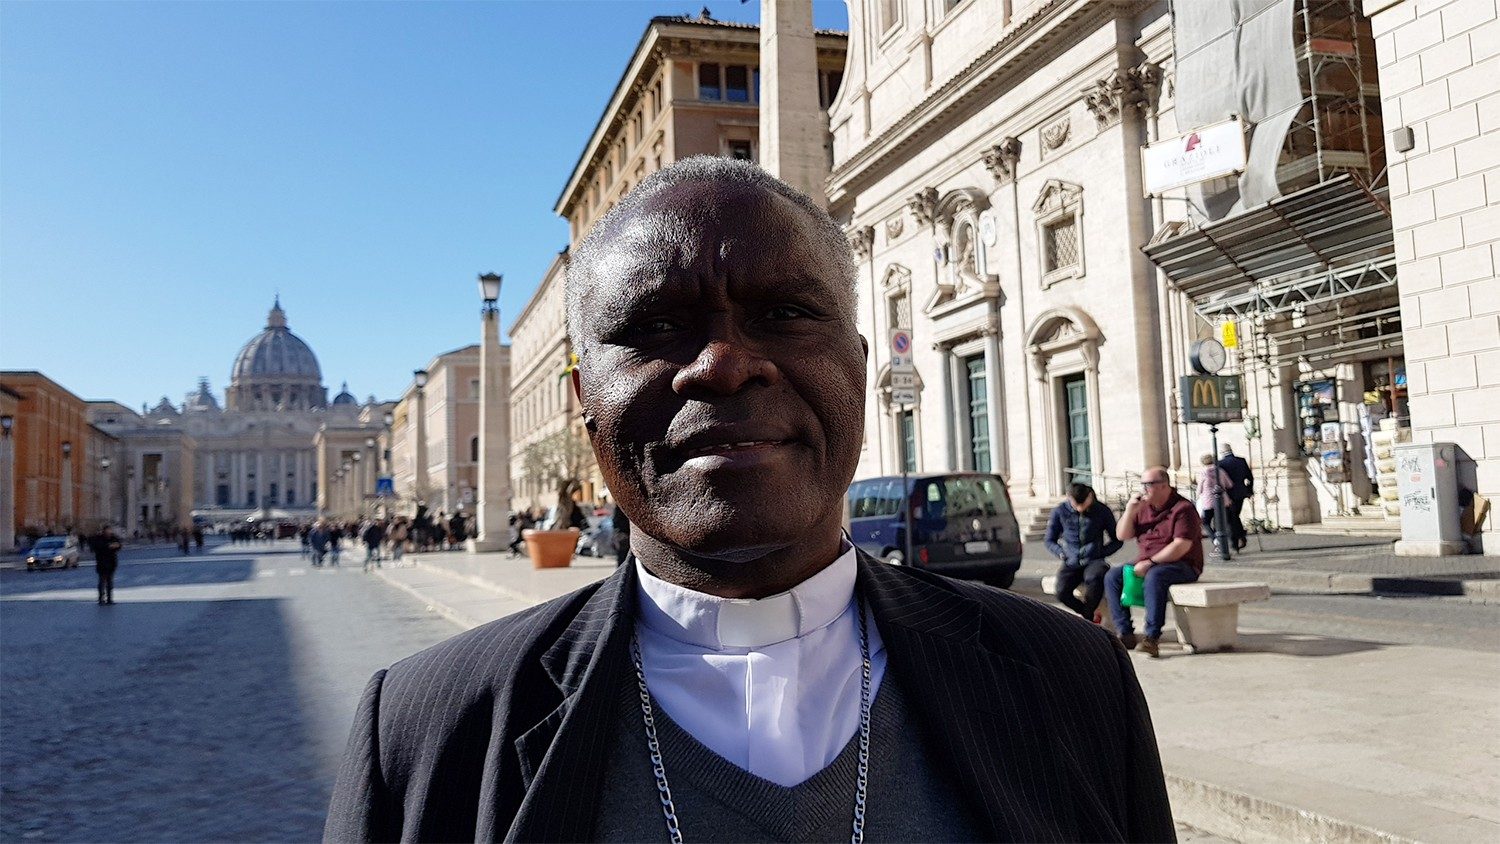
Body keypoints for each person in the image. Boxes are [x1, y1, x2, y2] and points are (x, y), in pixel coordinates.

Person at [325, 157, 1174, 842]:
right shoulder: (425, 729)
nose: (723, 363)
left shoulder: (1071, 678)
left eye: (783, 312)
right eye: (655, 327)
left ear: (860, 366)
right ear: (586, 403)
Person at [1105, 466, 1205, 658]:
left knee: (1155, 576)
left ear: (1164, 486)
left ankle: (1152, 637)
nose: (1144, 489)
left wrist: (1151, 562)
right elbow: (1122, 535)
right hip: (1147, 561)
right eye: (1142, 484)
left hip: (1182, 564)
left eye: (1148, 485)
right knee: (1113, 576)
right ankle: (1124, 632)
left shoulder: (1183, 509)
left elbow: (1181, 546)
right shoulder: (1142, 508)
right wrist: (1129, 510)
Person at [1043, 482, 1122, 621]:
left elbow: (1117, 540)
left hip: (1094, 559)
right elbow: (1049, 540)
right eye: (1075, 505)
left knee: (1096, 578)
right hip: (1071, 559)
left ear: (1090, 497)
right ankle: (1088, 615)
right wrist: (1061, 552)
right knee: (1062, 591)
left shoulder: (1102, 511)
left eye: (1083, 504)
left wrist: (1102, 552)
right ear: (1069, 498)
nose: (1079, 508)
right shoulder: (1060, 511)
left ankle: (1088, 617)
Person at [1219, 444, 1254, 550]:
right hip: (1241, 493)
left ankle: (1235, 540)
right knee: (1235, 515)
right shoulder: (1241, 461)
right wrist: (1249, 490)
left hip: (1228, 494)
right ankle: (1241, 536)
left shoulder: (1220, 464)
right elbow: (1250, 477)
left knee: (1230, 518)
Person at [1197, 453, 1233, 548]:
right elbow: (1229, 484)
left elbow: (1200, 489)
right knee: (1220, 522)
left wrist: (1198, 496)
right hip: (1222, 500)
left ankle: (1214, 539)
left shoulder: (1203, 473)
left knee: (1205, 522)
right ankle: (1221, 540)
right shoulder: (1220, 471)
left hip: (1208, 501)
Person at [90, 526, 122, 605]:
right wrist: (108, 546)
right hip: (102, 563)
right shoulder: (98, 538)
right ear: (104, 531)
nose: (109, 532)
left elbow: (119, 545)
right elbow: (97, 547)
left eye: (110, 530)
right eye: (107, 530)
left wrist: (116, 546)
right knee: (102, 581)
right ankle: (101, 598)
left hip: (111, 563)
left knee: (110, 582)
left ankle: (109, 599)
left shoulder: (113, 537)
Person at [611, 501, 631, 566]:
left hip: (622, 534)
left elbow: (615, 521)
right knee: (623, 556)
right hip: (623, 534)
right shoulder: (621, 507)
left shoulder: (619, 506)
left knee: (622, 556)